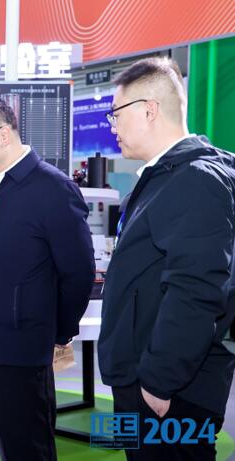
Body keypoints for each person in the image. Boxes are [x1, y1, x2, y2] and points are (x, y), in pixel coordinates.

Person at [0, 94, 95, 461]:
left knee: (28, 451)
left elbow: (78, 274)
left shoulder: (53, 190)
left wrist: (57, 333)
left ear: (4, 135)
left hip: (19, 355)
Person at [98, 57, 235, 461]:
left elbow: (197, 288)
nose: (112, 126)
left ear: (149, 110)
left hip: (169, 391)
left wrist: (160, 380)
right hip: (145, 379)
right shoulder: (163, 178)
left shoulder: (195, 180)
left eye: (116, 114)